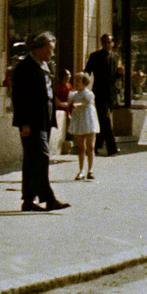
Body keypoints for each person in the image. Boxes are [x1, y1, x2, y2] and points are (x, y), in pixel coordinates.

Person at [11, 32, 69, 212]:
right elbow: (19, 98)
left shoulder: (45, 66)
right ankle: (48, 198)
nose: (52, 53)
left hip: (44, 118)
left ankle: (28, 200)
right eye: (50, 49)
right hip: (31, 121)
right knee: (41, 157)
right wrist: (24, 123)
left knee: (31, 160)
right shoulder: (25, 67)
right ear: (40, 49)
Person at [83, 33, 121, 156]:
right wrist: (83, 85)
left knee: (102, 120)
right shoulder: (95, 56)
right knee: (105, 119)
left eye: (109, 42)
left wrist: (120, 73)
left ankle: (96, 146)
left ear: (113, 43)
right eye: (104, 42)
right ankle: (112, 148)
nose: (106, 44)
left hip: (111, 92)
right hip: (99, 91)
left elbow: (115, 76)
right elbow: (87, 71)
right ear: (101, 43)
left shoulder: (115, 56)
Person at [65, 69, 98, 179]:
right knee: (81, 147)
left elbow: (85, 103)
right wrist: (59, 103)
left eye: (79, 80)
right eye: (76, 80)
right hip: (79, 120)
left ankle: (91, 170)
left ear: (84, 81)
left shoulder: (89, 94)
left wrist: (77, 105)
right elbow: (67, 104)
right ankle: (81, 170)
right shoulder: (74, 94)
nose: (77, 82)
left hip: (88, 120)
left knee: (90, 146)